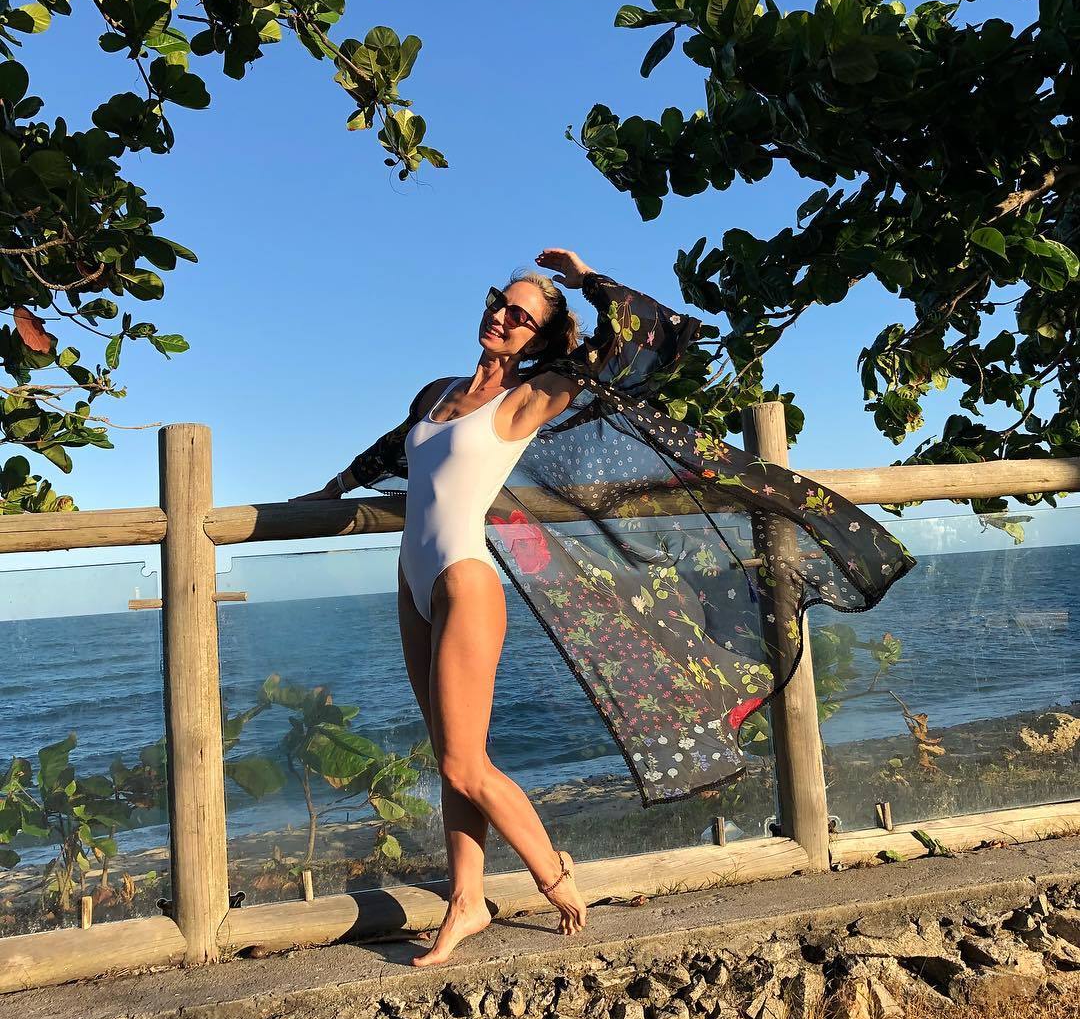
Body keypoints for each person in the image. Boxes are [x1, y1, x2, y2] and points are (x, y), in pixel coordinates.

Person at [292, 248, 917, 966]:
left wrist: (588, 279)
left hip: (464, 582)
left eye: (521, 315)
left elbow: (650, 337)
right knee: (451, 757)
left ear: (538, 337)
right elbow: (391, 452)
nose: (503, 317)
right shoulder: (439, 392)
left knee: (465, 766)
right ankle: (467, 902)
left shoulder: (532, 395)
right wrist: (329, 492)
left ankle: (553, 874)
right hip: (412, 579)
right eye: (500, 301)